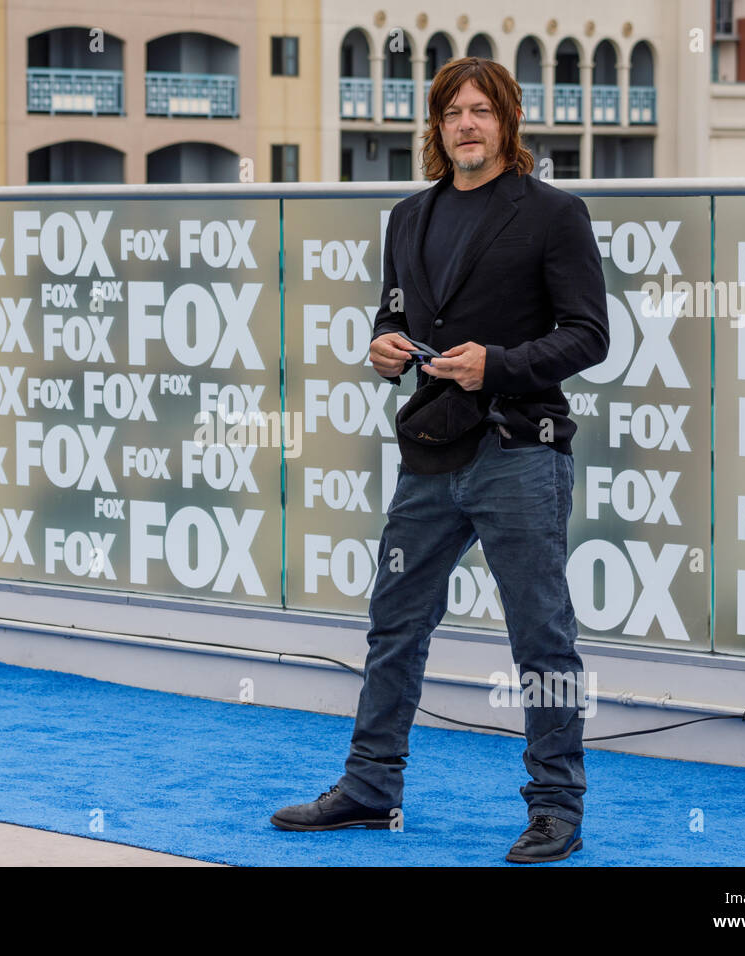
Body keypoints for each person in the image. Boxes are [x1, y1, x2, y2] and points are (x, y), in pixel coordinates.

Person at [271, 57, 609, 863]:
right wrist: (384, 351)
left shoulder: (555, 214)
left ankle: (557, 806)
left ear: (508, 123)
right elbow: (395, 314)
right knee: (395, 623)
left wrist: (497, 364)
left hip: (521, 451)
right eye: (453, 111)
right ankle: (369, 788)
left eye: (481, 111)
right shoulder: (408, 217)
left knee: (542, 638)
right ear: (436, 125)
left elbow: (589, 336)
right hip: (431, 450)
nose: (466, 124)